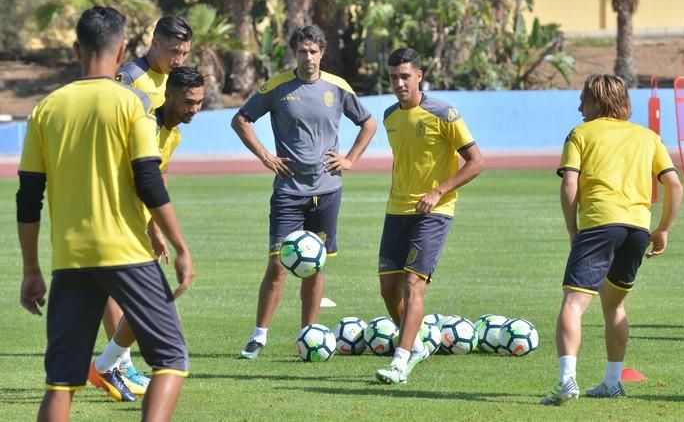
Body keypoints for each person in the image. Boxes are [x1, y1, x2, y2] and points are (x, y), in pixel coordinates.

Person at [17, 6, 194, 420]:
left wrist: (31, 268)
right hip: (126, 253)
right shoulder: (131, 103)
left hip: (70, 258)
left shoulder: (45, 109)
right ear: (120, 54)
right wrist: (180, 246)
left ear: (77, 49)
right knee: (171, 360)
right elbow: (148, 180)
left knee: (60, 383)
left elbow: (28, 198)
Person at [231, 24, 377, 360]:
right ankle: (258, 336)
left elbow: (368, 123)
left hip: (327, 191)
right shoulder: (278, 87)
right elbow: (241, 119)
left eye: (313, 51)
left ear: (322, 53)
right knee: (277, 265)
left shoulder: (338, 87)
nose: (308, 57)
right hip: (289, 192)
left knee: (316, 265)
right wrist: (265, 156)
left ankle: (307, 335)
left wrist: (351, 158)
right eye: (302, 51)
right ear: (294, 53)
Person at [540, 74, 682, 405]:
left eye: (583, 100)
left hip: (600, 224)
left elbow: (569, 184)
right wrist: (662, 230)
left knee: (574, 304)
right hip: (636, 229)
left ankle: (566, 382)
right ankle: (612, 382)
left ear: (597, 101)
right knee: (615, 304)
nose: (578, 107)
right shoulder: (648, 136)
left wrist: (572, 228)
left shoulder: (580, 134)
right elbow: (673, 184)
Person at [88, 66, 204, 400]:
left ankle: (109, 365)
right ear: (168, 95)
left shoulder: (173, 134)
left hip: (135, 228)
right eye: (188, 102)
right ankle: (109, 365)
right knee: (152, 305)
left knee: (150, 305)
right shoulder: (145, 127)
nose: (194, 109)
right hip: (115, 225)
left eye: (199, 102)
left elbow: (160, 177)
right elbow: (139, 180)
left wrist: (155, 229)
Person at [373, 48, 485, 384]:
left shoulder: (443, 113)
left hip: (434, 211)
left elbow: (476, 162)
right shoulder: (390, 115)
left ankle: (400, 361)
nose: (399, 83)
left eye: (405, 76)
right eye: (393, 77)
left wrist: (438, 192)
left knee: (412, 284)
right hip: (397, 211)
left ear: (419, 75)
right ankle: (417, 344)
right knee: (388, 289)